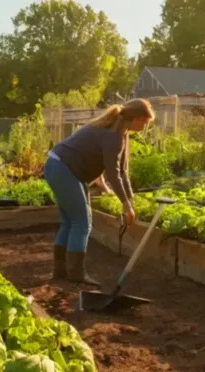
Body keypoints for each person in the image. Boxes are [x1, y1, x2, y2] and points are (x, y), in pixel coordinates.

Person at [44, 98, 155, 285]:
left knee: (70, 221)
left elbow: (122, 171)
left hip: (58, 166)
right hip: (64, 169)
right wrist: (126, 205)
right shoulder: (113, 136)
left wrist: (130, 199)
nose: (145, 126)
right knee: (82, 222)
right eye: (145, 121)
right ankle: (76, 274)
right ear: (135, 118)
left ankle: (61, 271)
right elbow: (113, 174)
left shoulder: (120, 133)